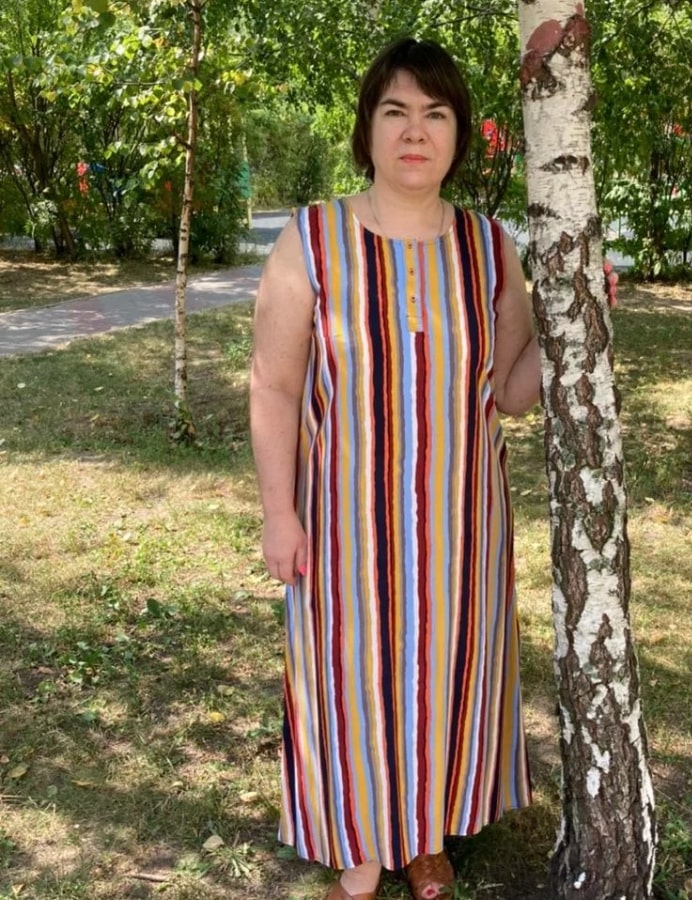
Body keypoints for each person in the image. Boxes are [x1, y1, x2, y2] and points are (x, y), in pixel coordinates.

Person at [249, 37, 540, 900]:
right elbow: (273, 384)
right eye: (396, 112)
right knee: (352, 679)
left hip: (462, 525)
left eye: (436, 114)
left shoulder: (490, 249)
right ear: (367, 130)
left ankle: (426, 836)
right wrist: (279, 512)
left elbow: (513, 392)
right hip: (343, 526)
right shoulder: (311, 240)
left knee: (447, 673)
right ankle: (362, 845)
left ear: (459, 135)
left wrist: (579, 321)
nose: (416, 131)